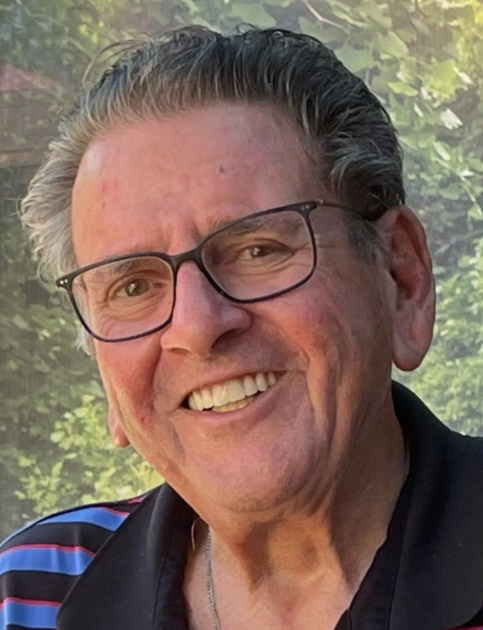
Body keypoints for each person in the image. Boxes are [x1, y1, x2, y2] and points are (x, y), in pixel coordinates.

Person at [0, 25, 482, 630]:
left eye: (257, 250)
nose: (197, 326)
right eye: (133, 286)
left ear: (401, 279)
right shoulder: (25, 595)